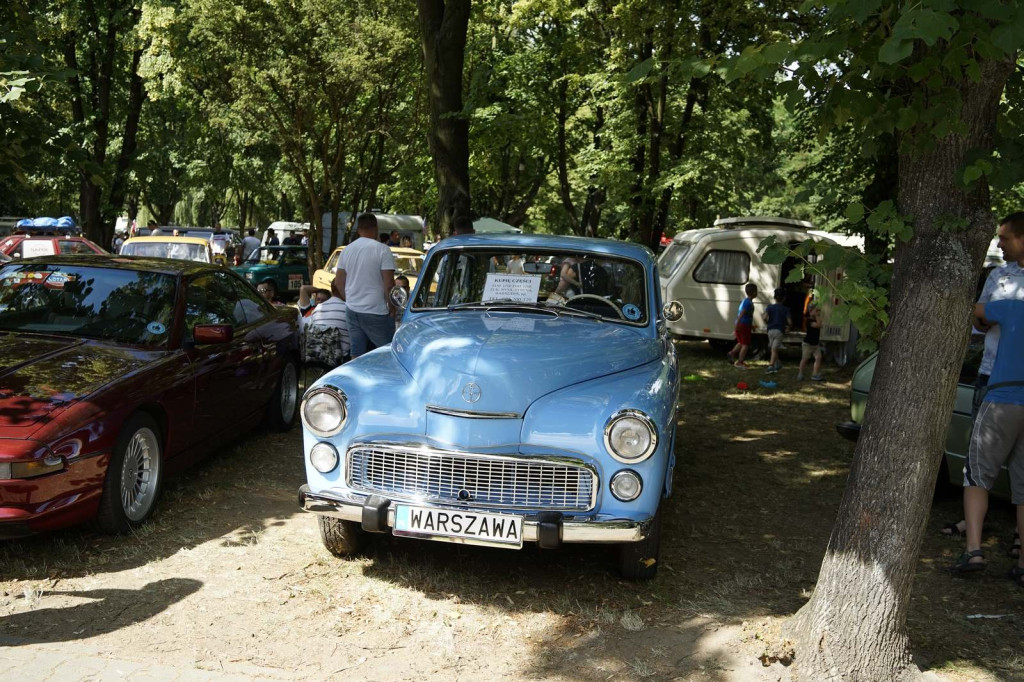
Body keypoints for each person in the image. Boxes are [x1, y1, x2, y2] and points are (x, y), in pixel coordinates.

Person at [953, 295, 1024, 583]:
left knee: (976, 475)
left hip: (1003, 399)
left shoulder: (1013, 307)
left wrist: (983, 322)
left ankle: (974, 550)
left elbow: (975, 310)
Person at [334, 213, 396, 358]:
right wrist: (392, 307)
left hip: (352, 310)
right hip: (376, 310)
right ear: (376, 228)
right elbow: (389, 284)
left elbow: (338, 282)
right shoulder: (382, 250)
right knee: (387, 353)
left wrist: (349, 299)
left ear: (358, 229)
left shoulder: (346, 250)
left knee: (356, 353)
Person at [728, 283, 758, 368]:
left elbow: (747, 315)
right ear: (754, 292)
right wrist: (737, 325)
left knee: (741, 342)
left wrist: (751, 325)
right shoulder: (748, 303)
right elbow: (742, 314)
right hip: (743, 325)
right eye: (756, 291)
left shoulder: (745, 301)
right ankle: (740, 362)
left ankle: (731, 353)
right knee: (746, 344)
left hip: (742, 324)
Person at [762, 288, 791, 374]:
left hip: (770, 330)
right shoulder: (786, 309)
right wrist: (789, 327)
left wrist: (767, 322)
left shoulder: (770, 307)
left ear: (774, 298)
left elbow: (764, 317)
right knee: (774, 349)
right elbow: (790, 321)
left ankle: (775, 364)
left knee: (773, 349)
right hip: (779, 331)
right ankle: (772, 365)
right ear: (784, 298)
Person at [798, 292, 824, 381]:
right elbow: (818, 325)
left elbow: (820, 324)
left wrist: (817, 316)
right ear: (810, 311)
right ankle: (800, 373)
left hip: (815, 344)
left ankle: (815, 374)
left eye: (818, 311)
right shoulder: (809, 321)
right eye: (816, 310)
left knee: (818, 358)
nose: (817, 312)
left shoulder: (816, 319)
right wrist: (817, 316)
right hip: (808, 344)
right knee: (805, 359)